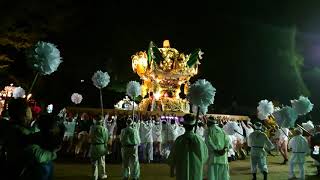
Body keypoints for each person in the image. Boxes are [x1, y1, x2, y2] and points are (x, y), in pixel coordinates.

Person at [168, 114, 208, 180]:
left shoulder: (179, 140)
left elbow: (172, 157)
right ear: (194, 126)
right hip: (196, 171)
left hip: (181, 171)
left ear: (183, 125)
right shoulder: (199, 140)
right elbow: (204, 156)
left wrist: (172, 170)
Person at [89, 115, 108, 180]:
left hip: (94, 146)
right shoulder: (104, 129)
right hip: (101, 146)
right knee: (102, 162)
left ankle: (95, 176)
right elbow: (106, 139)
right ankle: (102, 175)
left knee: (94, 163)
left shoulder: (92, 127)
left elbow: (90, 136)